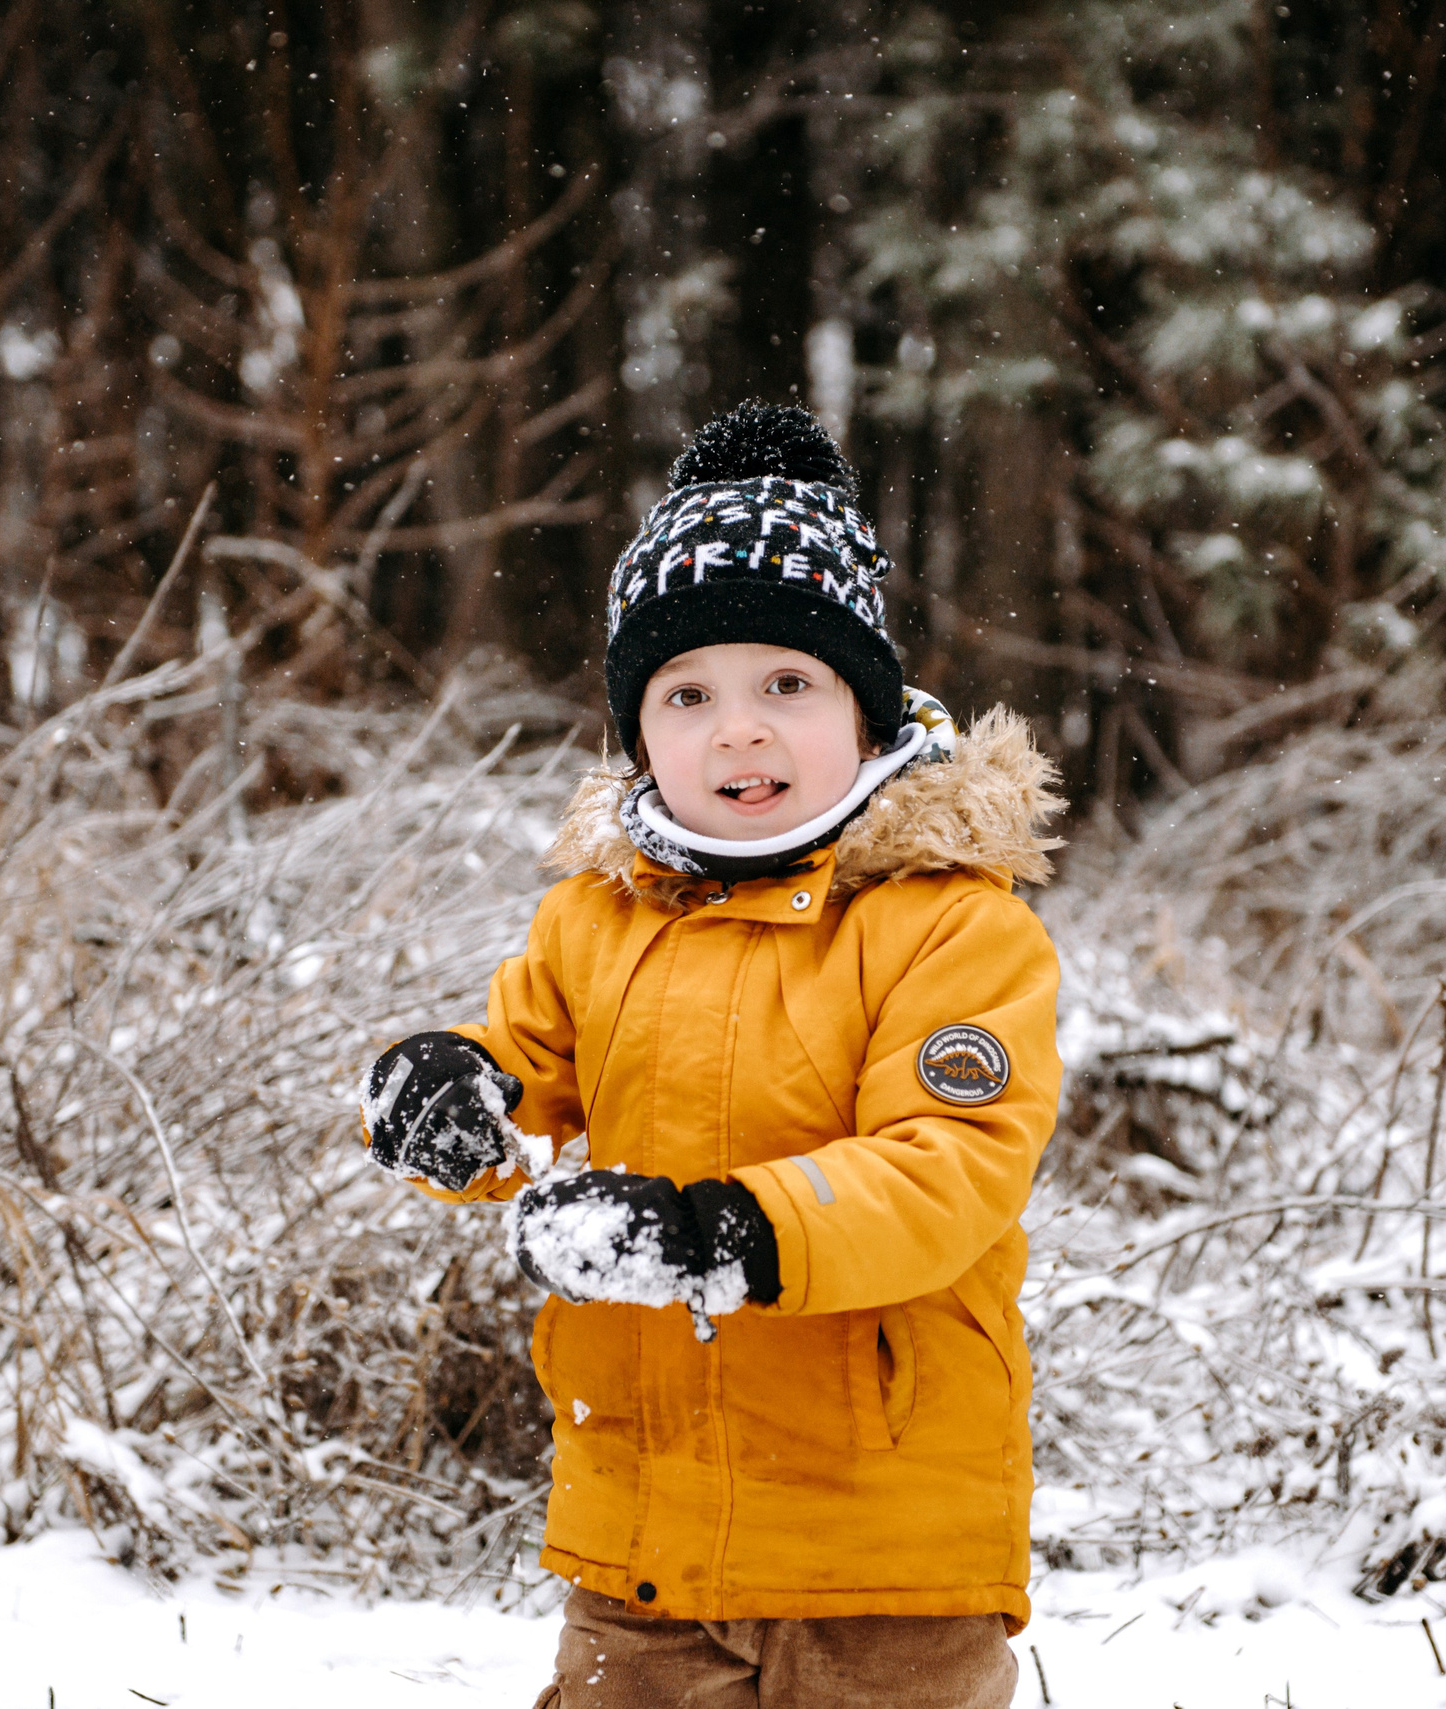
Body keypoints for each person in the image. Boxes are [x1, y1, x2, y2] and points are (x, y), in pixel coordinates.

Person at [360, 402, 1063, 1708]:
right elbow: (522, 1064)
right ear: (638, 736)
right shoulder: (598, 919)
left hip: (880, 1565)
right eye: (687, 694)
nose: (738, 730)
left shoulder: (952, 924)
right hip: (640, 1554)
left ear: (867, 710)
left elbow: (950, 1167)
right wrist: (450, 1091)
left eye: (786, 684)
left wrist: (718, 1233)